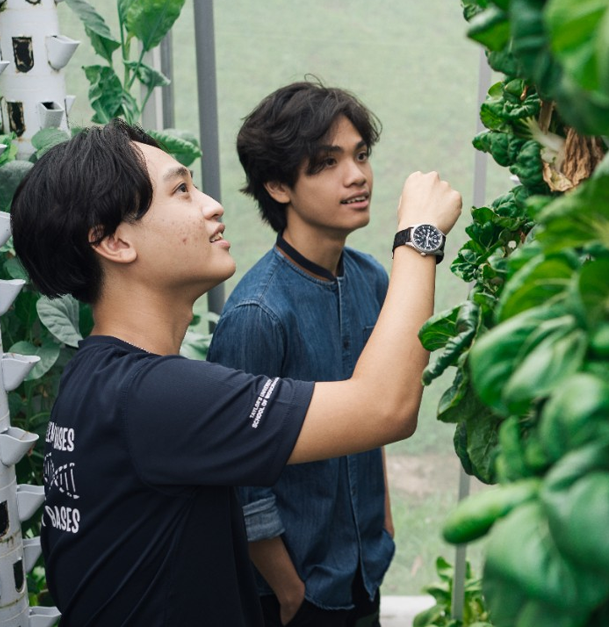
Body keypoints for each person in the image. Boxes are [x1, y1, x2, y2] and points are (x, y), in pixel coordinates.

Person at [9, 119, 460, 626]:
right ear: (113, 242)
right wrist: (419, 237)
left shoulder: (98, 378)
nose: (212, 204)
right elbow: (385, 407)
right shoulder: (155, 397)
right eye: (181, 190)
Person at [207, 82, 409, 627]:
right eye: (327, 162)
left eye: (361, 155)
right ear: (278, 185)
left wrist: (382, 525)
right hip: (298, 595)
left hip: (366, 569)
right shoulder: (258, 313)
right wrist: (288, 588)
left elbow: (379, 411)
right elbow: (238, 476)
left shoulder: (372, 279)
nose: (357, 175)